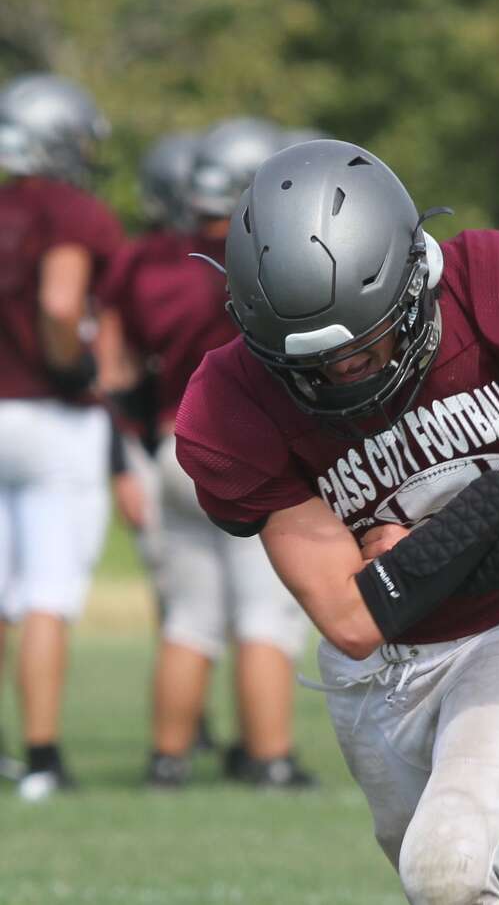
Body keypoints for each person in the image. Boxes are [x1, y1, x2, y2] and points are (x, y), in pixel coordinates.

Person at [173, 138, 499, 903]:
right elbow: (355, 621)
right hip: (374, 679)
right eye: (311, 365)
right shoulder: (228, 404)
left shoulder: (498, 284)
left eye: (364, 347)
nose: (341, 376)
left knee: (450, 862)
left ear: (412, 281)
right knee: (464, 881)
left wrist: (412, 563)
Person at [103, 118, 319, 788]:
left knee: (190, 619)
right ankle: (270, 757)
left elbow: (112, 371)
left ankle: (168, 759)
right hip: (250, 447)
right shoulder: (275, 255)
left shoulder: (145, 260)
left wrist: (127, 456)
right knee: (263, 613)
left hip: (171, 445)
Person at [0, 73, 125, 800]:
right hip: (49, 417)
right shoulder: (71, 210)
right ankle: (42, 757)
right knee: (46, 591)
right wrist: (75, 369)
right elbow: (58, 301)